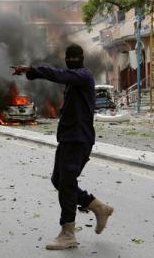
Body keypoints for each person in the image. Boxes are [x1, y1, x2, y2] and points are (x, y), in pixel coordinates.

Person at [11, 44, 114, 250]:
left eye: (74, 58)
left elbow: (59, 75)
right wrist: (31, 74)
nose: (71, 61)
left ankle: (68, 232)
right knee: (58, 180)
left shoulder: (83, 76)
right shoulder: (73, 81)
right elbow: (60, 76)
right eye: (69, 58)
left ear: (81, 58)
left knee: (66, 182)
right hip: (68, 138)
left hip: (79, 139)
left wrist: (33, 69)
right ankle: (98, 207)